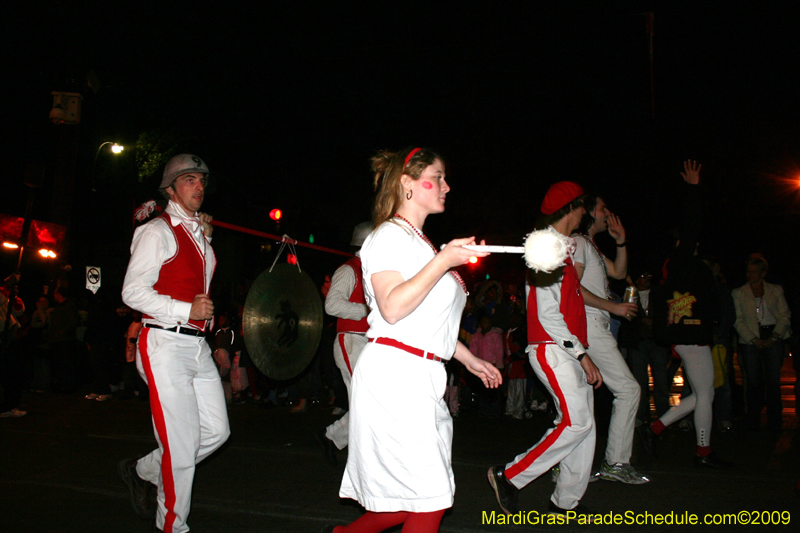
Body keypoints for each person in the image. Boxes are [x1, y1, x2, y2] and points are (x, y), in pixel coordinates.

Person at [331, 147, 502, 533]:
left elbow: (426, 321)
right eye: (437, 177)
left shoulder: (420, 243)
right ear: (407, 184)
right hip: (395, 377)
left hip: (422, 375)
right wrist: (444, 261)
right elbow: (392, 309)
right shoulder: (389, 236)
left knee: (411, 500)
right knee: (430, 498)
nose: (446, 185)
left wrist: (468, 359)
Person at [119, 154, 230, 533]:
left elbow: (198, 282)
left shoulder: (200, 234)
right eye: (189, 180)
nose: (199, 186)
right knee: (181, 447)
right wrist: (185, 309)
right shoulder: (157, 231)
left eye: (201, 180)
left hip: (195, 346)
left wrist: (206, 238)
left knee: (217, 431)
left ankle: (144, 468)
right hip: (164, 345)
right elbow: (132, 292)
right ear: (170, 189)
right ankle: (172, 527)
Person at [488, 181, 603, 518]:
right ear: (571, 207)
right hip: (552, 348)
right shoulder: (546, 246)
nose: (585, 212)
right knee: (578, 422)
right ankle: (509, 476)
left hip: (563, 348)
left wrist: (580, 351)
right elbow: (547, 313)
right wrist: (581, 353)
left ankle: (565, 502)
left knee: (582, 424)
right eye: (583, 206)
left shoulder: (561, 246)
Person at [643, 160, 731, 469]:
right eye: (689, 241)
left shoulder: (680, 267)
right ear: (682, 243)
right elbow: (693, 223)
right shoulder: (681, 260)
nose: (695, 243)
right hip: (690, 336)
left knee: (705, 392)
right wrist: (694, 189)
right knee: (706, 394)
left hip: (688, 335)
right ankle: (703, 453)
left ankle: (655, 429)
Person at [571, 195, 648, 484]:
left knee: (581, 399)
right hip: (589, 325)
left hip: (593, 325)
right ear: (589, 212)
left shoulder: (590, 246)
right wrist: (613, 307)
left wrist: (620, 241)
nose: (608, 213)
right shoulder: (578, 243)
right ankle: (616, 461)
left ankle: (567, 466)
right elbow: (573, 289)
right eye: (603, 208)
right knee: (628, 389)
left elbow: (619, 272)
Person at [316, 222, 372, 466]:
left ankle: (330, 436)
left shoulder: (374, 270)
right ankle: (361, 461)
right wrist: (368, 311)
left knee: (370, 403)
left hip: (368, 343)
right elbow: (332, 304)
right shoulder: (349, 270)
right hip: (351, 341)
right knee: (366, 404)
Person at [732, 256, 791, 432]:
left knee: (773, 380)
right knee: (754, 381)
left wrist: (774, 337)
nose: (750, 275)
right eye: (748, 271)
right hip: (750, 339)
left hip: (773, 334)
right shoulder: (739, 292)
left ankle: (775, 419)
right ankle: (753, 418)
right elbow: (738, 319)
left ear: (763, 272)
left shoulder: (775, 290)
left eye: (754, 271)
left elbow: (784, 315)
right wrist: (753, 339)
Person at [0, 272, 27, 418]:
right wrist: (6, 287)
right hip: (2, 337)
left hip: (10, 335)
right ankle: (5, 406)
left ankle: (9, 405)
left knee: (13, 373)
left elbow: (19, 310)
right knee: (7, 372)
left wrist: (13, 295)